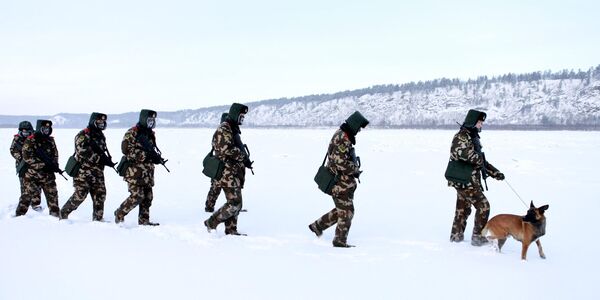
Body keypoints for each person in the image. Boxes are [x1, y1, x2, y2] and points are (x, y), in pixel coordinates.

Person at [308, 111, 368, 248]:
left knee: (342, 209)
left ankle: (317, 226)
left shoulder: (344, 135)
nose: (358, 131)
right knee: (347, 211)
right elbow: (339, 162)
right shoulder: (342, 138)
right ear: (354, 125)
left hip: (342, 182)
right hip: (338, 183)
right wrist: (355, 169)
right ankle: (339, 241)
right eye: (358, 128)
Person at [447, 109, 505, 246]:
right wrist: (479, 160)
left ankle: (456, 237)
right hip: (465, 181)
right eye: (479, 122)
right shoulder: (461, 137)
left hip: (467, 181)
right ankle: (478, 237)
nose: (481, 125)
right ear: (473, 122)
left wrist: (495, 173)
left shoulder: (473, 138)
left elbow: (481, 161)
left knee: (463, 209)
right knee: (483, 206)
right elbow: (462, 154)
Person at [204, 103, 253, 235]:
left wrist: (245, 160)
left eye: (243, 117)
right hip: (227, 173)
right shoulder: (224, 129)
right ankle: (211, 222)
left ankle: (231, 229)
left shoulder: (232, 129)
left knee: (236, 203)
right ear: (235, 115)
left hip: (234, 172)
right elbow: (224, 149)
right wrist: (242, 155)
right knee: (234, 203)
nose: (242, 119)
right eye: (241, 116)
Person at [114, 109, 166, 225]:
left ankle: (144, 221)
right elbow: (126, 150)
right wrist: (146, 156)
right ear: (143, 119)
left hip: (147, 172)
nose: (151, 122)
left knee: (148, 197)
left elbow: (151, 150)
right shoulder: (132, 132)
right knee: (137, 196)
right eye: (149, 120)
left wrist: (156, 158)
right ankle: (120, 213)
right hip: (134, 172)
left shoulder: (150, 134)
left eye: (153, 120)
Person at [61, 113, 115, 221]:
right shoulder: (82, 135)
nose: (101, 124)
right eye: (99, 122)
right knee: (80, 195)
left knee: (100, 195)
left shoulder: (100, 136)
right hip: (83, 172)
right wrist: (100, 159)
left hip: (98, 172)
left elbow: (101, 151)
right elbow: (82, 152)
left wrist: (106, 159)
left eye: (103, 122)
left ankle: (98, 219)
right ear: (93, 121)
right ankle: (63, 214)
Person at [16, 120, 61, 217]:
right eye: (44, 128)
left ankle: (55, 217)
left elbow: (55, 154)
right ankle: (19, 216)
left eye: (48, 129)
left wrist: (54, 165)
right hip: (33, 175)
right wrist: (42, 165)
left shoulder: (50, 140)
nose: (46, 130)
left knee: (53, 196)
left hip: (48, 175)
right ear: (40, 128)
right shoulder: (30, 140)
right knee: (26, 197)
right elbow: (27, 157)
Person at [10, 121, 42, 211]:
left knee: (37, 184)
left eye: (27, 132)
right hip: (22, 165)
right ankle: (24, 204)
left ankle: (35, 204)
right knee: (24, 185)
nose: (25, 134)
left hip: (34, 164)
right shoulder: (17, 139)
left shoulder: (35, 137)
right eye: (23, 132)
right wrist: (20, 157)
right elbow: (13, 150)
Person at [204, 112, 229, 213]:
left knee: (217, 187)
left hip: (220, 164)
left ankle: (232, 205)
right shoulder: (221, 132)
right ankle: (209, 207)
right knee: (216, 187)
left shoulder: (224, 132)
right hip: (220, 164)